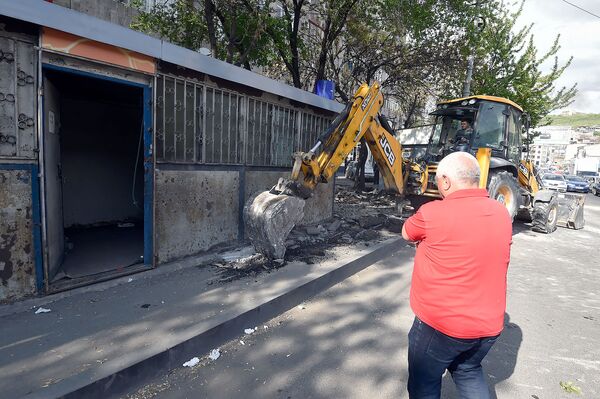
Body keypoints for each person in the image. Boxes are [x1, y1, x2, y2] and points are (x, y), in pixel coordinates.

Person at [401, 152, 512, 399]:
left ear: (446, 182)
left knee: (424, 385)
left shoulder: (433, 213)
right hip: (487, 328)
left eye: (438, 179)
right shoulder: (501, 212)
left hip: (440, 327)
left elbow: (406, 233)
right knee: (468, 370)